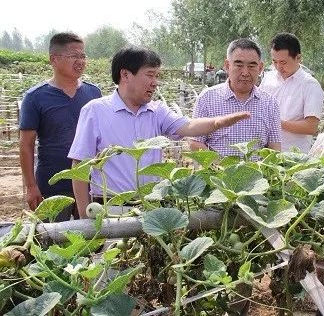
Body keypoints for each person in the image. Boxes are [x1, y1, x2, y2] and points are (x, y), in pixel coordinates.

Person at [68, 46, 250, 218]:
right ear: (125, 75)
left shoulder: (156, 111)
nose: (155, 83)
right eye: (150, 75)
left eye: (157, 76)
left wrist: (218, 122)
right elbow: (80, 165)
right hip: (111, 209)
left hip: (151, 207)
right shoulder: (96, 111)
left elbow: (189, 127)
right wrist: (84, 214)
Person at [19, 32, 101, 221]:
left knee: (92, 241)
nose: (80, 61)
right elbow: (26, 145)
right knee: (52, 240)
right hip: (52, 184)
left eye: (83, 56)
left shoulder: (93, 92)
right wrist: (31, 187)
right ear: (53, 60)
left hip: (88, 183)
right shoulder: (35, 97)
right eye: (74, 56)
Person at [189, 38, 281, 157]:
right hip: (217, 174)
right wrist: (221, 169)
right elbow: (195, 143)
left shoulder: (270, 103)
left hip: (257, 175)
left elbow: (274, 148)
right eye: (239, 65)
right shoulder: (207, 99)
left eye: (252, 66)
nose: (245, 72)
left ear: (260, 68)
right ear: (227, 65)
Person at [259, 32, 323, 153]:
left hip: (294, 157)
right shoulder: (268, 79)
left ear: (298, 58)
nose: (278, 67)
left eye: (283, 62)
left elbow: (311, 127)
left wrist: (276, 122)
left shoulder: (309, 85)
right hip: (267, 154)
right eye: (274, 61)